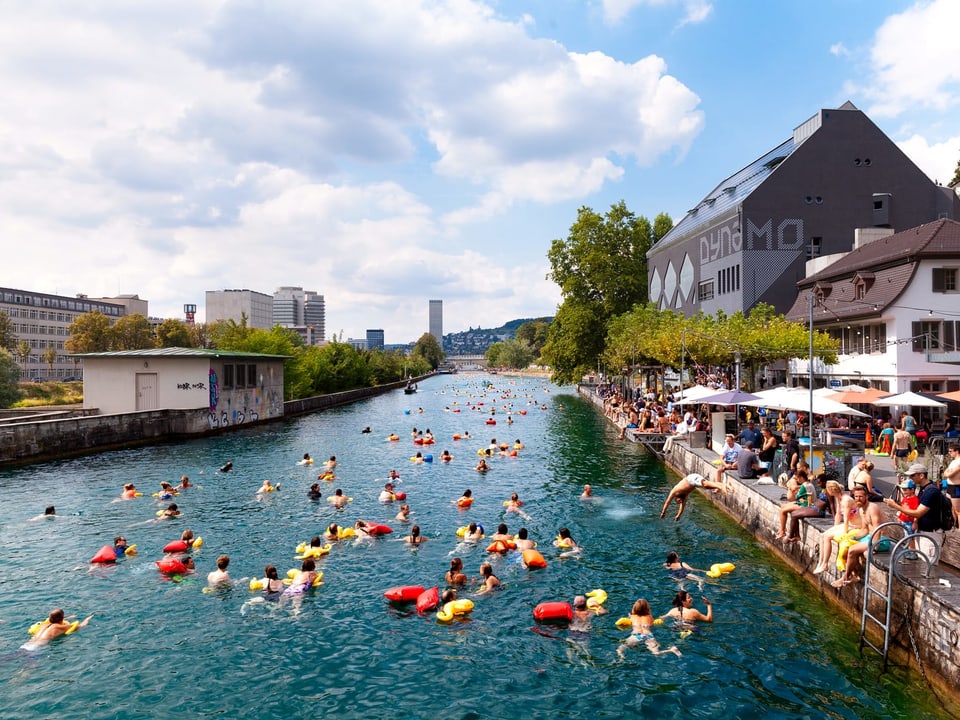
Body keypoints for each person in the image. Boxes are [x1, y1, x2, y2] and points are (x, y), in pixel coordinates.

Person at [832, 485, 885, 587]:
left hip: (880, 540)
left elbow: (878, 529)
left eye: (861, 496)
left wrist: (874, 546)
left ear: (866, 497)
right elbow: (864, 530)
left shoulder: (872, 508)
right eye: (856, 496)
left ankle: (845, 578)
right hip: (868, 537)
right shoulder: (861, 509)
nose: (858, 499)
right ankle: (854, 575)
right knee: (845, 543)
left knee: (852, 550)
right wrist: (853, 537)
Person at [812, 490, 862, 575]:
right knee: (823, 535)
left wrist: (845, 533)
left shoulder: (846, 500)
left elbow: (845, 519)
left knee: (828, 537)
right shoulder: (838, 498)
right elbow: (838, 514)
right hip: (848, 524)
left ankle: (825, 564)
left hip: (854, 526)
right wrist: (835, 528)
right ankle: (820, 563)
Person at [884, 462, 943, 533]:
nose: (910, 478)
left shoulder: (931, 491)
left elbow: (918, 513)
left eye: (912, 475)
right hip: (924, 530)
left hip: (930, 532)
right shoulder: (924, 488)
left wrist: (895, 506)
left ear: (921, 475)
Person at [659, 473, 727, 522]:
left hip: (691, 479)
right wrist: (678, 515)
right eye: (680, 502)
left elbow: (667, 502)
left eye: (678, 501)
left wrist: (663, 512)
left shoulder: (674, 491)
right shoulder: (684, 496)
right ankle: (724, 485)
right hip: (694, 483)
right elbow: (682, 507)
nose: (680, 501)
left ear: (676, 498)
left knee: (705, 484)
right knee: (708, 486)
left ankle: (720, 486)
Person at [22, 609, 93, 649]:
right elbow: (80, 626)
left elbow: (55, 620)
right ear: (62, 619)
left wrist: (69, 618)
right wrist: (87, 619)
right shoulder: (60, 627)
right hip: (35, 648)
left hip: (25, 646)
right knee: (27, 670)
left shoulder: (43, 625)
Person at [942, 443, 960, 528]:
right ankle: (955, 525)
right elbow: (945, 473)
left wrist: (948, 472)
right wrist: (948, 472)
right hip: (950, 486)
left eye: (951, 451)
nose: (949, 453)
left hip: (956, 487)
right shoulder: (953, 461)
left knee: (958, 511)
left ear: (957, 451)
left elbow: (950, 474)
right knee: (952, 508)